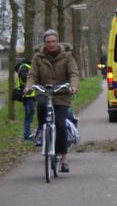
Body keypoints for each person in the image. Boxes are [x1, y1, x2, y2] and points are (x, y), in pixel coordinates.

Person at [23, 30, 80, 173]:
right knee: (42, 106)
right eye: (48, 42)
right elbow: (32, 75)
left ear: (58, 42)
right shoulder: (38, 58)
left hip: (62, 94)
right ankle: (42, 131)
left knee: (60, 124)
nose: (51, 44)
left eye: (53, 41)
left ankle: (64, 158)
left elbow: (73, 73)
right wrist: (29, 86)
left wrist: (73, 86)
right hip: (44, 92)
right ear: (44, 43)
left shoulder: (67, 57)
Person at [15, 58, 37, 142]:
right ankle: (27, 136)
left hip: (30, 96)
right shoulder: (24, 67)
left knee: (30, 115)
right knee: (29, 116)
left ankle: (28, 135)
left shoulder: (25, 67)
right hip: (28, 96)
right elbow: (25, 78)